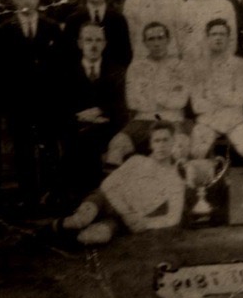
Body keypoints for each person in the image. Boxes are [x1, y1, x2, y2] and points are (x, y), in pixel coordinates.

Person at [0, 0, 66, 212]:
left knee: (49, 147)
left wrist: (57, 98)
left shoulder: (52, 27)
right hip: (18, 102)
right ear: (14, 0)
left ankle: (51, 195)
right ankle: (28, 197)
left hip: (47, 101)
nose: (27, 2)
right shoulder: (4, 30)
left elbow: (60, 66)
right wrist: (5, 101)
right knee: (22, 148)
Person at [55, 122, 186, 245]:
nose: (161, 145)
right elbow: (107, 185)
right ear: (151, 144)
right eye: (157, 141)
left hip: (122, 219)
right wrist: (126, 213)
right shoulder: (137, 161)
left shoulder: (176, 180)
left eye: (165, 140)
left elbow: (174, 217)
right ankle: (43, 231)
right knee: (80, 220)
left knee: (92, 237)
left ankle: (65, 237)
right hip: (105, 199)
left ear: (173, 142)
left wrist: (146, 223)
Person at [106, 22, 190, 168]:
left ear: (168, 40)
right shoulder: (136, 67)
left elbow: (180, 101)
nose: (156, 43)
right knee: (116, 145)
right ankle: (118, 189)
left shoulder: (179, 66)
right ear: (144, 42)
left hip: (173, 120)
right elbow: (132, 101)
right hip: (142, 121)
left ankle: (173, 188)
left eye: (160, 37)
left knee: (180, 148)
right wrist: (165, 95)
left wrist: (148, 94)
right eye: (151, 39)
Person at [63, 23, 127, 201]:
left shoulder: (117, 71)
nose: (93, 45)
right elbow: (60, 105)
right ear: (79, 43)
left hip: (108, 129)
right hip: (76, 130)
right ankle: (80, 199)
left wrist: (100, 110)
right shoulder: (66, 72)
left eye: (98, 40)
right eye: (88, 40)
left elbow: (121, 106)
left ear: (105, 44)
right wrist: (79, 117)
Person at [190, 19, 243, 161]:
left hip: (234, 119)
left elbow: (239, 100)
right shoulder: (198, 67)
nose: (218, 37)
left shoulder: (240, 65)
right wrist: (225, 99)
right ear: (207, 38)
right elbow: (197, 105)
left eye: (222, 34)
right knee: (197, 151)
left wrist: (214, 97)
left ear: (229, 38)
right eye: (213, 34)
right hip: (207, 119)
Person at [63, 0, 132, 67]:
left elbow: (125, 54)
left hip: (112, 77)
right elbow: (67, 55)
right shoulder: (73, 21)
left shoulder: (118, 19)